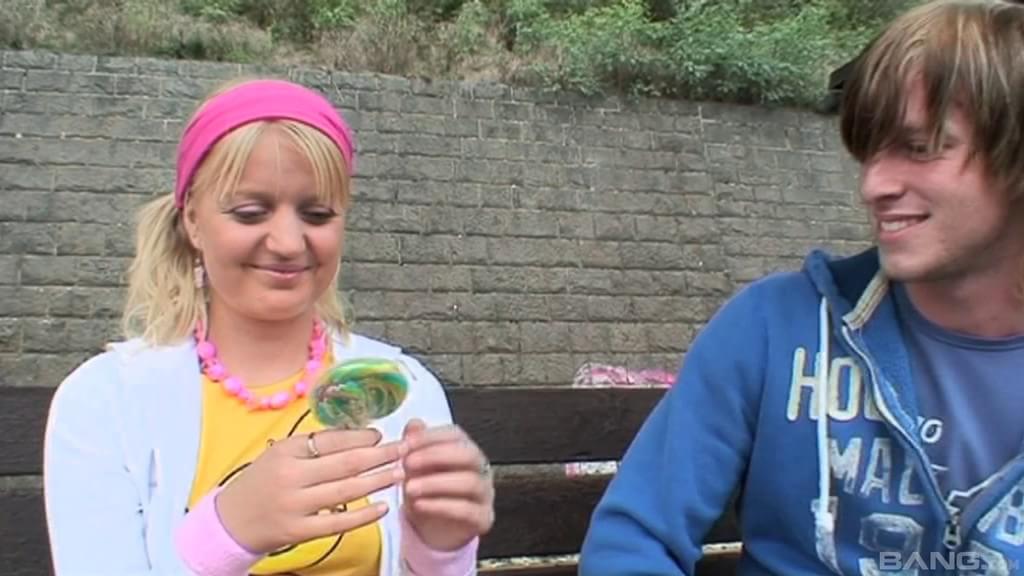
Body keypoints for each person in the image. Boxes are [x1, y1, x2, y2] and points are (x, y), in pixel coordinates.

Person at [580, 0, 1024, 574]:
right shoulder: (771, 327)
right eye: (869, 151)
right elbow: (633, 539)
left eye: (919, 148)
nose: (873, 185)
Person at [43, 78, 494, 576]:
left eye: (317, 214)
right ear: (193, 221)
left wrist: (440, 549)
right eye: (250, 213)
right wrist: (226, 536)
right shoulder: (103, 401)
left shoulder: (402, 389)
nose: (287, 242)